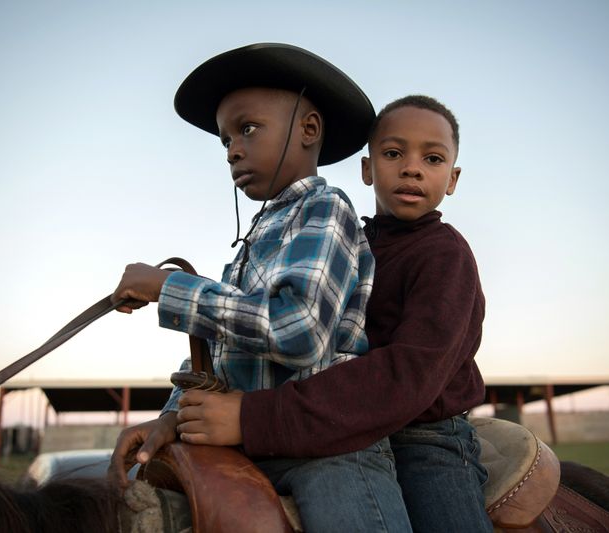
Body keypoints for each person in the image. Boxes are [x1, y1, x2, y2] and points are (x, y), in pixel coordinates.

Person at [108, 43, 413, 532]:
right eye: (225, 139)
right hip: (251, 443)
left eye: (247, 129)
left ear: (308, 130)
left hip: (329, 450)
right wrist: (171, 417)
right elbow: (220, 353)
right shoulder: (255, 239)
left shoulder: (326, 208)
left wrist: (171, 287)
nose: (232, 148)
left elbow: (299, 329)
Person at [176, 95, 493, 532]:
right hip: (340, 420)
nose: (412, 168)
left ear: (452, 179)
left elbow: (408, 374)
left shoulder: (446, 256)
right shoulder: (345, 243)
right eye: (393, 153)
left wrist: (254, 418)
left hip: (425, 437)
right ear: (367, 169)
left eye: (432, 158)